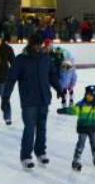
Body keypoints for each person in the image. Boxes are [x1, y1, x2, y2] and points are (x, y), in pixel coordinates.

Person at [4, 34, 61, 170]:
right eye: (35, 44)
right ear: (30, 44)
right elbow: (11, 79)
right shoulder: (21, 60)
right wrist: (5, 97)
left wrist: (59, 88)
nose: (37, 47)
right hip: (29, 100)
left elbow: (52, 74)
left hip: (44, 98)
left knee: (42, 127)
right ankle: (26, 156)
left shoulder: (45, 58)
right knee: (29, 128)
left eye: (39, 44)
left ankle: (40, 152)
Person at [58, 85, 95, 171]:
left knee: (94, 143)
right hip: (83, 128)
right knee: (81, 144)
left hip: (93, 129)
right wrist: (64, 110)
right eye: (87, 94)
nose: (88, 96)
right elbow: (73, 110)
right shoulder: (81, 105)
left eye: (90, 95)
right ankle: (76, 160)